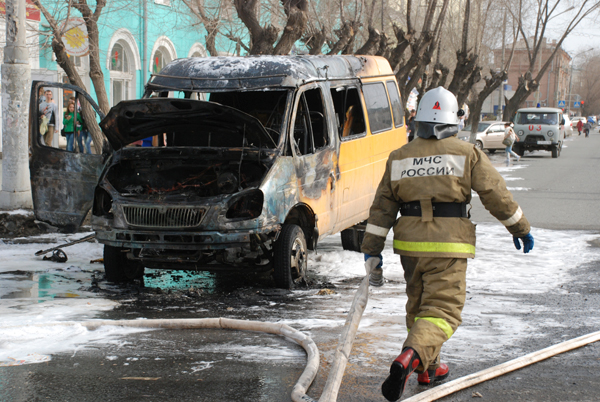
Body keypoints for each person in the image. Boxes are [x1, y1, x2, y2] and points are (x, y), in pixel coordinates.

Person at [361, 86, 534, 401]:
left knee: (419, 306)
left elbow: (382, 206)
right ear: (453, 118)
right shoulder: (466, 152)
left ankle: (427, 368)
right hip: (449, 244)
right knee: (444, 310)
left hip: (411, 246)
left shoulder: (400, 156)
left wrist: (372, 248)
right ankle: (410, 355)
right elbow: (495, 192)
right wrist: (518, 227)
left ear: (421, 118)